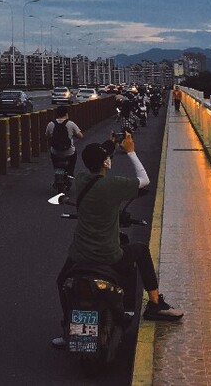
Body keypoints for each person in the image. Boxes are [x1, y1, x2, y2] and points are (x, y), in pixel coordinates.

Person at [52, 132, 182, 348]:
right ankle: (155, 303)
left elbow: (94, 160)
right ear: (105, 162)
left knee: (61, 282)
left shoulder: (82, 180)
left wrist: (111, 143)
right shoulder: (113, 186)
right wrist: (130, 151)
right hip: (108, 254)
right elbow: (144, 180)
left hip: (79, 254)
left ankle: (67, 328)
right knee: (140, 250)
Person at [46, 105, 84, 182]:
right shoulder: (71, 124)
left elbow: (47, 135)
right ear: (66, 114)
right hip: (69, 151)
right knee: (73, 156)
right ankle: (70, 174)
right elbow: (81, 136)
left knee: (54, 158)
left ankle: (57, 172)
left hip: (55, 151)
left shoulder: (51, 124)